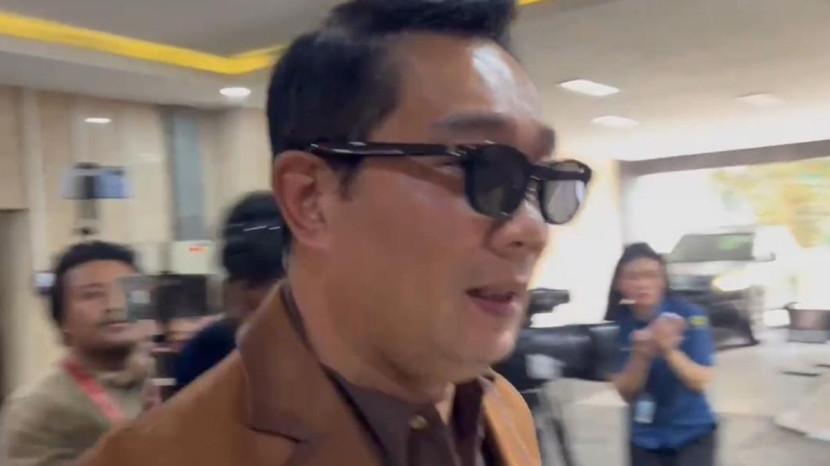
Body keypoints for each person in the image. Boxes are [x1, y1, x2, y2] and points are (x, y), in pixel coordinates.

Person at [79, 1, 592, 465]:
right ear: (311, 200)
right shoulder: (164, 456)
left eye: (539, 176)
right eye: (475, 165)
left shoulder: (502, 410)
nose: (531, 229)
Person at [0, 241, 154, 466]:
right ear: (62, 320)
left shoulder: (167, 380)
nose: (114, 305)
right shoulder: (38, 406)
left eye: (128, 291)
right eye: (92, 295)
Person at [606, 243, 718, 466]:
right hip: (645, 439)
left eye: (651, 275)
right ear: (619, 284)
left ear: (663, 281)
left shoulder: (690, 315)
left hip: (692, 434)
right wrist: (641, 355)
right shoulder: (615, 327)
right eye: (633, 277)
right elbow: (627, 393)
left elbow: (700, 381)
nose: (642, 284)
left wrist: (668, 349)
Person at [174, 191, 285, 391]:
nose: (253, 297)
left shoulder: (333, 352)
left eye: (265, 281)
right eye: (247, 282)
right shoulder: (207, 351)